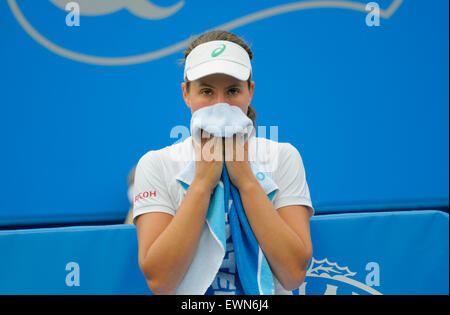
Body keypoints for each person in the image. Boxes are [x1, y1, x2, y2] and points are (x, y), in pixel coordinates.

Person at [133, 30, 314, 295]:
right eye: (206, 91)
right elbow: (160, 281)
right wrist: (202, 184)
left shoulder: (283, 157)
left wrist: (248, 181)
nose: (220, 105)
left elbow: (293, 274)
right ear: (186, 94)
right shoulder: (156, 164)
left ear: (250, 92)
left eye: (232, 91)